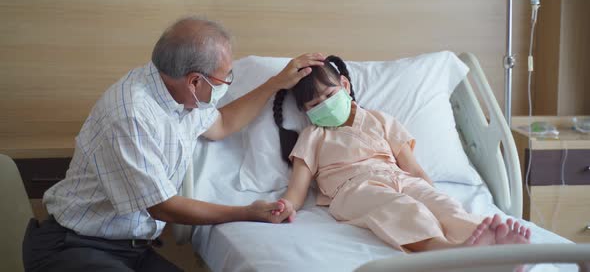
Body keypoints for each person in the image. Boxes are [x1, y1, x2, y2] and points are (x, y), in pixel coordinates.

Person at [22, 16, 323, 272]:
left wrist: (275, 83)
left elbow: (222, 125)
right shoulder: (131, 114)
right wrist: (247, 212)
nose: (228, 83)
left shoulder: (180, 96)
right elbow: (162, 206)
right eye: (225, 77)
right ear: (195, 81)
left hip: (130, 249)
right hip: (75, 246)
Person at [271, 55, 531, 253]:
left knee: (443, 206)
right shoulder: (313, 135)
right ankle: (448, 253)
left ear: (345, 85)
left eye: (330, 94)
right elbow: (298, 189)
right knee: (402, 209)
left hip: (399, 178)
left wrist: (429, 192)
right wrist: (285, 205)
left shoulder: (379, 120)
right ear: (306, 112)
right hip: (353, 190)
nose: (326, 105)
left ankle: (492, 245)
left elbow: (413, 169)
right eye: (315, 104)